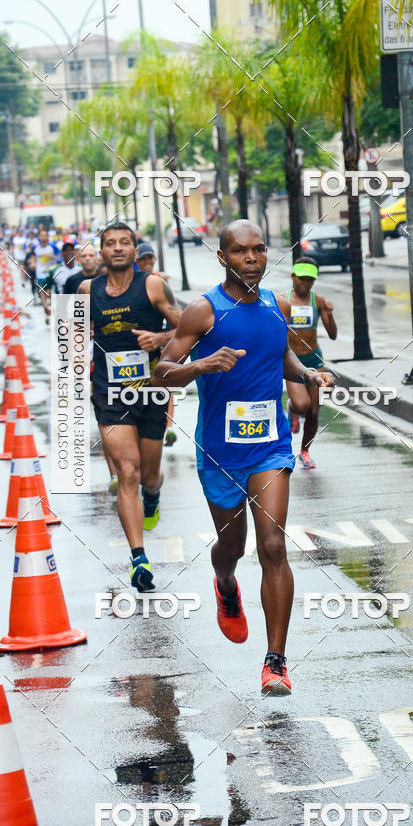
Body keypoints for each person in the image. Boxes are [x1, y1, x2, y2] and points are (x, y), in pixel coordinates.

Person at [152, 219, 334, 696]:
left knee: (273, 545)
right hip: (220, 450)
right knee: (231, 547)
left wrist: (309, 374)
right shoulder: (204, 311)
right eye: (239, 251)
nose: (251, 258)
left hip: (269, 445)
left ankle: (275, 663)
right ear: (223, 257)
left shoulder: (275, 304)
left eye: (258, 249)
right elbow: (161, 372)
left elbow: (280, 356)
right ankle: (225, 583)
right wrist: (202, 364)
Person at [79, 222, 181, 592]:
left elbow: (190, 328)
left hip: (151, 392)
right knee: (127, 471)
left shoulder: (152, 285)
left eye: (125, 243)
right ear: (102, 252)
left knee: (149, 478)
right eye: (111, 243)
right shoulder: (87, 290)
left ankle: (152, 497)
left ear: (135, 251)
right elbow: (71, 339)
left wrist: (161, 337)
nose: (118, 248)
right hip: (111, 393)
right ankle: (139, 558)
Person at [282, 258, 337, 470]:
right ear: (293, 277)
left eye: (309, 279)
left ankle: (304, 451)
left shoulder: (318, 301)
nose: (305, 283)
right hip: (293, 362)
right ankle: (292, 408)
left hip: (315, 361)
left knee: (314, 412)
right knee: (301, 405)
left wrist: (329, 314)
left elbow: (332, 335)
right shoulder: (283, 301)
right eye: (301, 278)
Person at [136, 242, 176, 446]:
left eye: (149, 258)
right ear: (136, 261)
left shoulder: (161, 281)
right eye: (142, 258)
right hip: (138, 344)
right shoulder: (133, 283)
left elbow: (174, 315)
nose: (146, 262)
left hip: (160, 339)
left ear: (155, 259)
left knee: (166, 383)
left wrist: (163, 338)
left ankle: (168, 427)